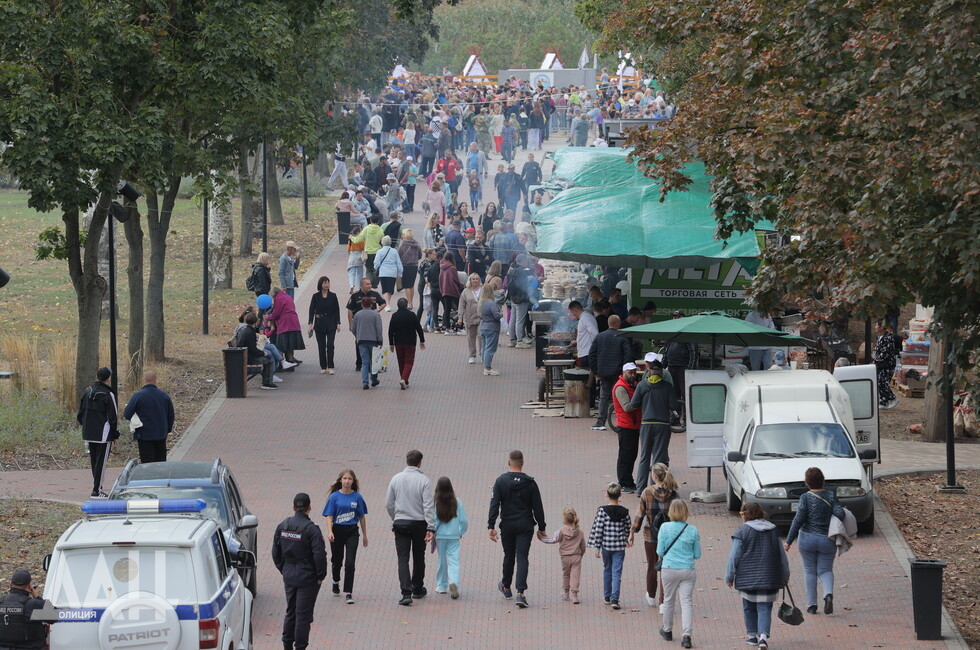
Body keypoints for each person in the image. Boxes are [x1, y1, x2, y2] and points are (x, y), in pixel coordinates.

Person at [487, 450, 548, 609]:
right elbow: (538, 507)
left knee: (508, 555)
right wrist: (541, 527)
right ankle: (520, 593)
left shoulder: (500, 481)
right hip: (525, 524)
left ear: (509, 463)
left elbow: (494, 504)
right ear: (522, 463)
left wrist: (491, 526)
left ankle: (506, 586)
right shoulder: (530, 483)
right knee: (522, 557)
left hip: (507, 525)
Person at [726, 502, 791, 650]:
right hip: (770, 575)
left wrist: (729, 576)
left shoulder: (741, 531)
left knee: (748, 606)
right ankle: (763, 637)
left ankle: (751, 635)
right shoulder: (773, 530)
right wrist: (785, 574)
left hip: (747, 576)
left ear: (745, 514)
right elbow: (781, 556)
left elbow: (734, 556)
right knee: (765, 607)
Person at [784, 467, 845, 616]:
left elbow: (798, 519)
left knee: (809, 571)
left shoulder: (805, 497)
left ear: (807, 482)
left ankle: (812, 605)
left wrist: (789, 540)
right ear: (823, 481)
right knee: (825, 570)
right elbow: (840, 513)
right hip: (826, 539)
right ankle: (828, 594)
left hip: (807, 538)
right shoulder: (830, 495)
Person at [272, 492, 327, 650]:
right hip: (307, 577)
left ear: (294, 507)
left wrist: (284, 569)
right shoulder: (312, 530)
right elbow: (319, 555)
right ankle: (300, 647)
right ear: (309, 508)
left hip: (289, 574)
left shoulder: (283, 525)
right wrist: (320, 575)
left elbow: (275, 552)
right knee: (303, 615)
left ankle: (287, 644)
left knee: (291, 611)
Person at [385, 450, 436, 606]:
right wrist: (431, 526)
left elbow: (389, 503)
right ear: (420, 462)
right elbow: (428, 505)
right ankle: (417, 588)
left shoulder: (396, 478)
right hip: (419, 523)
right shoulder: (424, 480)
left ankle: (405, 593)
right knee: (419, 556)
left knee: (403, 558)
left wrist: (396, 517)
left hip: (401, 522)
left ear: (406, 461)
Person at [633, 463, 679, 610]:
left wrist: (633, 532)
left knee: (652, 565)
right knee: (665, 567)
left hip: (650, 535)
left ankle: (651, 595)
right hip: (669, 536)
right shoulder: (673, 493)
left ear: (653, 476)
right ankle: (663, 603)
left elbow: (640, 514)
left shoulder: (647, 492)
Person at [658, 499, 701, 649]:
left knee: (669, 600)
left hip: (669, 568)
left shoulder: (664, 527)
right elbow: (697, 554)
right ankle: (687, 635)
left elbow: (660, 551)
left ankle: (667, 630)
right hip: (687, 569)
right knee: (686, 602)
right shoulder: (693, 530)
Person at [322, 469, 369, 605]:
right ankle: (335, 581)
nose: (347, 481)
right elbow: (329, 515)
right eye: (345, 478)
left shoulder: (357, 497)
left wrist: (365, 535)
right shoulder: (334, 497)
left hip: (352, 531)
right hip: (337, 530)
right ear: (340, 480)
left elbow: (361, 517)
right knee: (337, 560)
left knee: (350, 562)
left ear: (353, 481)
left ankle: (348, 591)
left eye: (349, 479)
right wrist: (330, 531)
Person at [631, 360, 679, 491]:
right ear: (662, 372)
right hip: (662, 424)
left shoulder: (642, 385)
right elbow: (674, 406)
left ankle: (641, 488)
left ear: (649, 371)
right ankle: (655, 487)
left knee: (644, 457)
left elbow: (634, 403)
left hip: (646, 424)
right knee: (658, 458)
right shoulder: (667, 386)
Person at [586, 482, 633, 610]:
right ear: (620, 495)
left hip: (606, 546)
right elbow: (628, 528)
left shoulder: (602, 511)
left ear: (607, 494)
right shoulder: (625, 511)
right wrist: (627, 539)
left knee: (607, 569)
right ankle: (614, 599)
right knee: (616, 572)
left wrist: (597, 547)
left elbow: (598, 528)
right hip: (619, 547)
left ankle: (607, 595)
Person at [76, 366, 118, 498]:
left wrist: (85, 425)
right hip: (103, 434)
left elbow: (80, 413)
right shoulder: (108, 394)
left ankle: (97, 487)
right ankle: (97, 490)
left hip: (89, 432)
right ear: (108, 378)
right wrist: (115, 434)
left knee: (94, 461)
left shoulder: (87, 391)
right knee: (101, 462)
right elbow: (113, 417)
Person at [589, 314, 634, 431]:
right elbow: (628, 355)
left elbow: (591, 355)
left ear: (609, 324)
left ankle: (600, 422)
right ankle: (621, 421)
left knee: (604, 396)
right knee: (620, 396)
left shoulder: (599, 337)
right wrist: (624, 370)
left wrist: (596, 370)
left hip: (603, 372)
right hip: (618, 372)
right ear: (618, 324)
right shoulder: (622, 337)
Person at [123, 370, 175, 463]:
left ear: (144, 380)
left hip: (144, 435)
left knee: (147, 463)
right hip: (161, 434)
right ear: (155, 380)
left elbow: (127, 414)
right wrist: (167, 429)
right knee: (160, 462)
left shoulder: (138, 396)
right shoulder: (164, 396)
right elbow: (171, 415)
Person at [540, 508, 586, 604]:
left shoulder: (561, 531)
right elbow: (583, 546)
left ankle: (566, 592)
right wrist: (581, 555)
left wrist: (542, 538)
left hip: (565, 556)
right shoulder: (580, 532)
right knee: (575, 575)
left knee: (566, 574)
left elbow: (553, 540)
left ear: (564, 519)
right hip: (576, 556)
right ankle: (574, 594)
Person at [434, 476, 468, 600]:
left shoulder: (436, 503)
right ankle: (453, 581)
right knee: (454, 560)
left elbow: (434, 520)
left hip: (440, 536)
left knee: (441, 559)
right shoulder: (457, 502)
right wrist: (461, 531)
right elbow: (463, 520)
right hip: (454, 535)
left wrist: (433, 531)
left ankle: (441, 586)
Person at [612, 363, 642, 492]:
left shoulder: (631, 385)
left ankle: (628, 481)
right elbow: (627, 407)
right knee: (625, 456)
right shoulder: (620, 387)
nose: (633, 375)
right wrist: (640, 401)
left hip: (633, 425)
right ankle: (624, 482)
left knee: (632, 455)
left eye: (634, 372)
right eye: (630, 372)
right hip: (626, 426)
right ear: (624, 372)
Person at [0, 569, 47, 650]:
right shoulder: (32, 605)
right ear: (29, 586)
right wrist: (37, 597)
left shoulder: (1, 602)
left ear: (10, 585)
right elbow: (56, 615)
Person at [346, 278, 385, 372]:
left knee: (373, 343)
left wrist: (378, 309)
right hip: (360, 324)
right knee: (359, 343)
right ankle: (359, 364)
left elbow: (383, 303)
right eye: (367, 284)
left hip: (372, 323)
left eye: (370, 284)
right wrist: (351, 325)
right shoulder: (355, 296)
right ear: (361, 286)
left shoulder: (375, 294)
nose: (370, 286)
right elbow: (350, 310)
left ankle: (373, 363)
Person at [388, 298, 426, 389]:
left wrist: (391, 343)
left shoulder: (394, 316)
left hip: (398, 342)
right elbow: (419, 328)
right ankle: (404, 379)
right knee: (409, 361)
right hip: (410, 342)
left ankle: (404, 380)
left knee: (401, 362)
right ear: (406, 305)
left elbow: (390, 331)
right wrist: (422, 340)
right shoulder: (412, 315)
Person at [307, 276, 340, 375]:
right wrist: (310, 323)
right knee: (321, 346)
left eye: (328, 283)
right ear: (320, 284)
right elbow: (311, 310)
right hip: (319, 323)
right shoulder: (315, 296)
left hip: (331, 324)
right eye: (325, 283)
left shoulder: (333, 296)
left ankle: (330, 366)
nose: (327, 285)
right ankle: (323, 366)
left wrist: (338, 323)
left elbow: (336, 310)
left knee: (330, 345)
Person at [239, 312, 278, 389]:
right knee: (269, 360)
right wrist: (264, 353)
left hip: (244, 355)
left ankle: (267, 381)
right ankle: (267, 382)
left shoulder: (247, 330)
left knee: (268, 356)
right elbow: (253, 350)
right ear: (255, 321)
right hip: (249, 357)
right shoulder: (250, 332)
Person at [267, 287, 306, 364]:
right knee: (291, 342)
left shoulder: (278, 299)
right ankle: (290, 358)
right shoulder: (288, 297)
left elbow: (276, 313)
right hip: (293, 321)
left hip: (285, 323)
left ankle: (282, 362)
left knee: (282, 344)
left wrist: (268, 317)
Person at [352, 295, 383, 390]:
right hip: (373, 340)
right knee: (373, 361)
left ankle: (365, 382)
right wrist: (380, 340)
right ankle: (374, 379)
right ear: (371, 304)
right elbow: (379, 329)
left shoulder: (357, 315)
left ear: (362, 304)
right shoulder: (375, 315)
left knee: (365, 362)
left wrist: (358, 336)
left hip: (361, 340)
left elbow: (353, 329)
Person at [506, 255, 533, 347]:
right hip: (521, 299)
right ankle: (520, 342)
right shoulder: (521, 272)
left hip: (513, 298)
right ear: (523, 261)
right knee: (520, 320)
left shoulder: (512, 270)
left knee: (513, 320)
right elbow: (523, 286)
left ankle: (512, 340)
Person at [874, 320, 900, 409]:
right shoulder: (880, 338)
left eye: (876, 325)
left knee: (882, 381)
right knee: (879, 381)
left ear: (881, 327)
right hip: (880, 364)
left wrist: (877, 359)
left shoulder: (888, 338)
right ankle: (883, 401)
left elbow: (886, 352)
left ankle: (892, 398)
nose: (875, 327)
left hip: (887, 364)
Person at [373, 235, 403, 311]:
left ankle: (387, 304)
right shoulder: (394, 251)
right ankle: (387, 304)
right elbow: (398, 263)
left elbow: (376, 263)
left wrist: (376, 267)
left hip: (383, 272)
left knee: (385, 289)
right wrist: (400, 273)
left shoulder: (379, 251)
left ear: (382, 242)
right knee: (390, 290)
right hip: (392, 272)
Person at [458, 273, 482, 364]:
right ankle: (472, 355)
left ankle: (482, 354)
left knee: (481, 336)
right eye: (473, 279)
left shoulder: (483, 290)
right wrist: (460, 317)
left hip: (481, 318)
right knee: (471, 337)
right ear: (470, 280)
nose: (475, 280)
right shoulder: (465, 291)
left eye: (477, 279)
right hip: (469, 318)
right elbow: (461, 305)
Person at [478, 284, 502, 376]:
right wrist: (500, 314)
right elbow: (496, 316)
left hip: (483, 326)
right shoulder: (491, 303)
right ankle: (487, 368)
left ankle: (485, 365)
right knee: (490, 348)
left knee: (484, 347)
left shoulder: (481, 302)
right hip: (492, 327)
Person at [438, 249, 464, 333]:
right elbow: (456, 280)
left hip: (445, 291)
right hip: (453, 291)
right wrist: (463, 285)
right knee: (460, 308)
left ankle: (447, 328)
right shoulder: (452, 268)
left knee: (447, 309)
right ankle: (459, 327)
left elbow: (440, 280)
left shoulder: (441, 268)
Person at [397, 228, 422, 308]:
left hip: (405, 266)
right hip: (414, 266)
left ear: (405, 235)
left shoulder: (403, 244)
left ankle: (410, 303)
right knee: (411, 285)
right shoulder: (416, 243)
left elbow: (399, 255)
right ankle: (411, 302)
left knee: (407, 285)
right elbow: (420, 255)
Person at [569, 300, 598, 366]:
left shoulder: (586, 317)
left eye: (572, 313)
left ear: (575, 310)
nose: (572, 315)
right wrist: (577, 341)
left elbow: (595, 334)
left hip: (587, 353)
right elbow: (585, 335)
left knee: (585, 374)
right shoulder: (583, 318)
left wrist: (593, 350)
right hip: (584, 353)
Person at [346, 224, 365, 291]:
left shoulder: (350, 240)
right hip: (359, 256)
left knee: (351, 273)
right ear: (358, 232)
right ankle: (359, 287)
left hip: (352, 257)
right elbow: (363, 248)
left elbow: (348, 250)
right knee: (360, 273)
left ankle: (351, 285)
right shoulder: (361, 241)